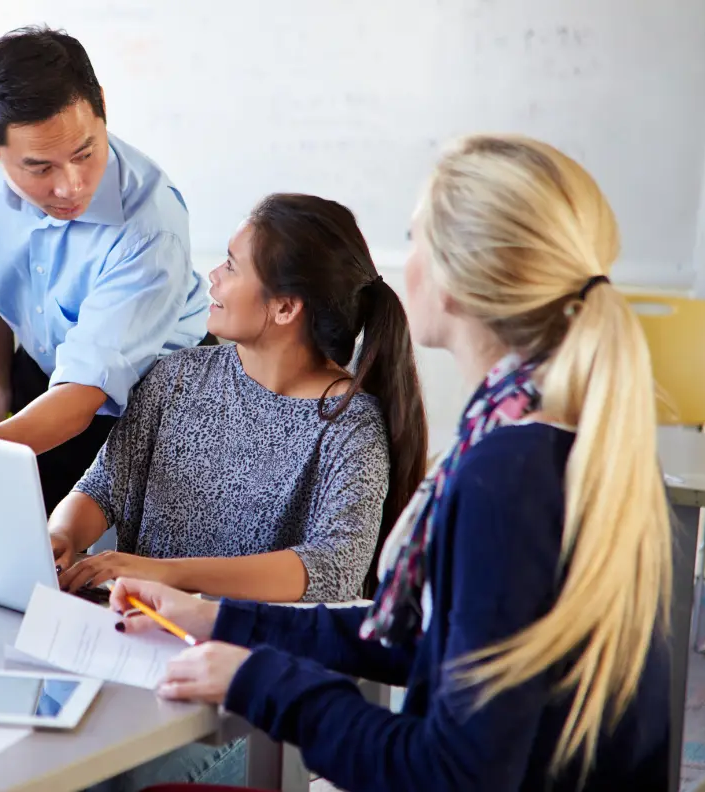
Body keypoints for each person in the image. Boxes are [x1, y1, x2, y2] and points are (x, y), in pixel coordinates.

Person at [112, 136, 672, 792]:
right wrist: (219, 620)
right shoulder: (548, 431)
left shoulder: (509, 476)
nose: (404, 265)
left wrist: (255, 679)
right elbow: (427, 640)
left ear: (459, 283)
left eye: (416, 240)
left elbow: (451, 774)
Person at [52, 194, 428, 604]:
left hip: (247, 656)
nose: (212, 275)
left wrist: (166, 575)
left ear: (285, 307)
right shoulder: (176, 376)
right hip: (139, 632)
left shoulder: (349, 425)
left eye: (231, 265)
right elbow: (102, 488)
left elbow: (333, 568)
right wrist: (62, 535)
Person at [0, 26, 210, 514]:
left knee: (83, 556)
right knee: (3, 529)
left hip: (152, 394)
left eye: (85, 152)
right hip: (44, 365)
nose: (71, 187)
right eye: (40, 168)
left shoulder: (150, 225)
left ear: (101, 105)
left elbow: (83, 395)